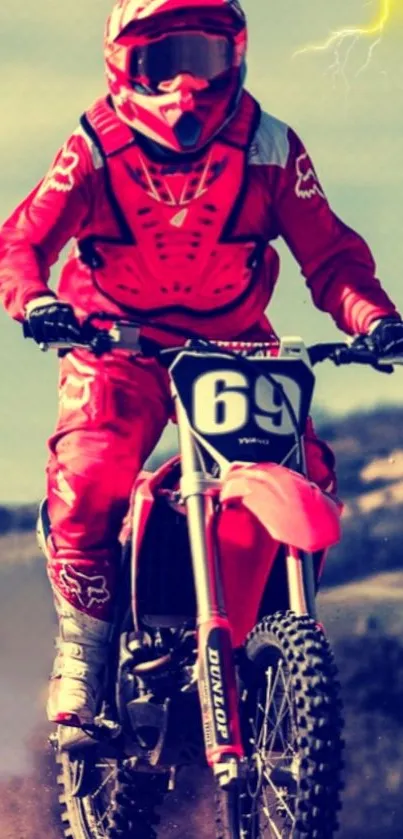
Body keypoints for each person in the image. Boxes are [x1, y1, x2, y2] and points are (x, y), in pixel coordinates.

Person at [0, 0, 403, 728]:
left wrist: (371, 316)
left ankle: (266, 640)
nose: (186, 85)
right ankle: (84, 651)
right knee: (90, 476)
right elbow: (23, 241)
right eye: (166, 59)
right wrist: (34, 301)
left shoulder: (270, 147)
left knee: (302, 468)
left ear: (237, 57)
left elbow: (330, 254)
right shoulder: (92, 147)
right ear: (125, 62)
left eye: (206, 58)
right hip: (115, 342)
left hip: (234, 342)